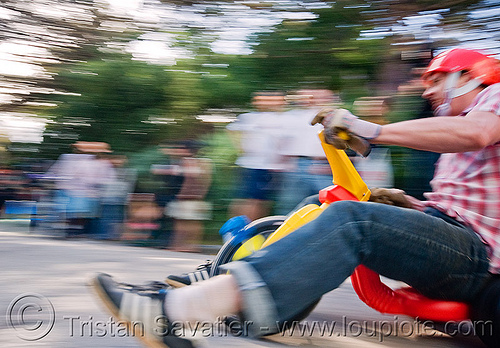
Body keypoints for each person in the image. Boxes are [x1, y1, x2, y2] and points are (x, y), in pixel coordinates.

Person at [92, 48, 500, 348]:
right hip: (455, 242)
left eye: (434, 79)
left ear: (469, 76)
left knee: (352, 220)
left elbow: (478, 134)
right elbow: (466, 201)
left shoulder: (491, 100)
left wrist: (370, 129)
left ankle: (177, 313)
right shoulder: (456, 133)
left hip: (477, 258)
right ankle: (218, 280)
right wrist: (411, 206)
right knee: (320, 203)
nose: (427, 90)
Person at [226, 91, 289, 221]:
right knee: (251, 200)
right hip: (254, 165)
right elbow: (232, 130)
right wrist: (242, 148)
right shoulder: (249, 117)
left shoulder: (284, 118)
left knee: (263, 201)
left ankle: (255, 230)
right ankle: (241, 230)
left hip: (274, 167)